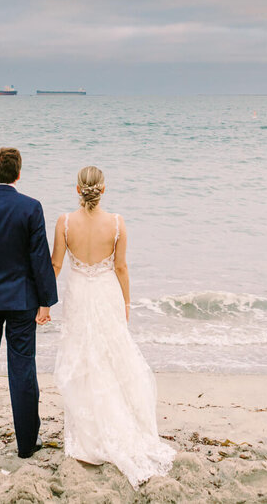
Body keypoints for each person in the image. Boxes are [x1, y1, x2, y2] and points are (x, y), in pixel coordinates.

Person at [51, 165, 175, 487]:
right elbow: (120, 267)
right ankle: (117, 428)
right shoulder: (117, 223)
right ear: (102, 190)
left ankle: (87, 437)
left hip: (78, 293)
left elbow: (56, 265)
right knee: (111, 356)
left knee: (83, 357)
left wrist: (42, 302)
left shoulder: (64, 222)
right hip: (106, 293)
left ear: (77, 189)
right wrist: (127, 303)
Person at [0, 147, 58, 457]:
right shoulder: (30, 208)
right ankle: (27, 443)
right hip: (21, 300)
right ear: (18, 173)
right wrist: (46, 301)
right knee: (22, 368)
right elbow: (39, 257)